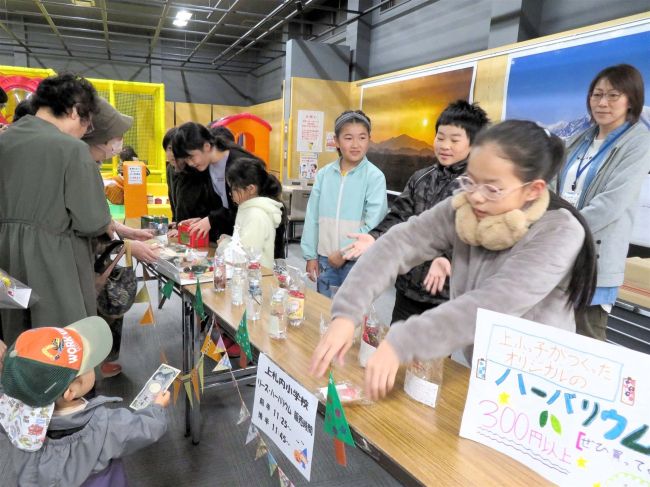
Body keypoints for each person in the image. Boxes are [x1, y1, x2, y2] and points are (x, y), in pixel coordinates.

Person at [311, 120, 597, 400]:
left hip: (541, 385)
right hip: (486, 368)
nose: (476, 197)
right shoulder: (465, 207)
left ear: (533, 190)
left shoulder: (559, 231)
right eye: (470, 181)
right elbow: (397, 244)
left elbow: (490, 305)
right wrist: (347, 314)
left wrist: (401, 342)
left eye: (492, 188)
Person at [344, 101, 489, 322]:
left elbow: (477, 235)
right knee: (395, 345)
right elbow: (398, 217)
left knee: (433, 355)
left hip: (448, 295)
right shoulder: (421, 177)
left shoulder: (479, 186)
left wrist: (448, 259)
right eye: (440, 137)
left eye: (454, 139)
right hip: (408, 287)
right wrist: (374, 237)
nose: (445, 145)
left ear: (474, 144)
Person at [0, 73, 110, 345]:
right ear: (74, 111)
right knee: (60, 346)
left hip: (4, 261)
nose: (86, 131)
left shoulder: (4, 140)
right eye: (88, 123)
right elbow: (92, 221)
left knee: (15, 339)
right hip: (54, 262)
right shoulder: (72, 150)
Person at [0, 317, 169, 486]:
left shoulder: (11, 422)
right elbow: (147, 428)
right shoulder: (105, 425)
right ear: (71, 392)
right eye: (88, 365)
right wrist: (157, 407)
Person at [557, 64, 650, 341]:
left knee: (585, 344)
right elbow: (550, 184)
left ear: (631, 100)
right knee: (549, 338)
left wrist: (561, 229)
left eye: (613, 95)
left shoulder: (639, 142)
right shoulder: (577, 141)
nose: (602, 103)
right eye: (597, 95)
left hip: (593, 259)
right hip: (558, 255)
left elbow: (612, 203)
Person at [83, 97, 159, 378]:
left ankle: (102, 360)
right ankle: (95, 365)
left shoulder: (92, 165)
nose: (118, 144)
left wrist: (130, 233)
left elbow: (103, 220)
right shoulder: (81, 165)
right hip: (94, 258)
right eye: (116, 137)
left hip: (105, 254)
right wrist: (129, 244)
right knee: (102, 307)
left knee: (109, 306)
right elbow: (87, 225)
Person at [300, 110, 388, 297]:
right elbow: (312, 216)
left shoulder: (374, 177)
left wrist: (343, 253)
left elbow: (375, 224)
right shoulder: (324, 174)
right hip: (325, 258)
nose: (356, 145)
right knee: (324, 311)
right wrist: (311, 255)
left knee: (352, 315)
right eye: (348, 138)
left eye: (362, 138)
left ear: (369, 140)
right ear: (337, 141)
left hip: (359, 261)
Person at [171, 122, 264, 242]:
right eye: (186, 159)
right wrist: (203, 219)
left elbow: (247, 208)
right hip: (232, 237)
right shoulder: (207, 166)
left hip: (255, 237)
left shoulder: (240, 164)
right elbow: (224, 207)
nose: (190, 163)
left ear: (206, 146)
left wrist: (211, 220)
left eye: (191, 157)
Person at [219, 158, 284, 268]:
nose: (231, 195)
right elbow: (246, 244)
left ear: (251, 189)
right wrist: (229, 240)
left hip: (254, 279)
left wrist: (223, 244)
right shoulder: (250, 210)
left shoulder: (255, 215)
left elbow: (244, 257)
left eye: (234, 189)